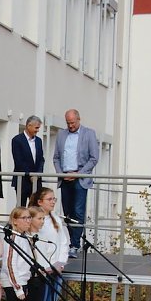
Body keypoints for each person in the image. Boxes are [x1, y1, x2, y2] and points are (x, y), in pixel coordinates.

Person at [52, 109, 99, 258]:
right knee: (67, 212)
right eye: (68, 123)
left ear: (79, 119)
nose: (70, 125)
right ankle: (71, 241)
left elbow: (94, 158)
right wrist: (61, 173)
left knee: (78, 211)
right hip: (65, 178)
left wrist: (78, 174)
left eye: (72, 122)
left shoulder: (89, 134)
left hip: (80, 178)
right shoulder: (61, 134)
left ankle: (75, 244)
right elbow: (56, 158)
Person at [31, 188, 69, 301]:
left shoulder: (56, 219)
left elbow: (63, 242)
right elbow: (37, 246)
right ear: (39, 202)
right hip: (43, 270)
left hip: (56, 269)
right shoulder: (36, 220)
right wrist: (45, 266)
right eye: (49, 199)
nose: (53, 202)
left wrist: (60, 262)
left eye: (54, 199)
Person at [11, 115, 45, 207]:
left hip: (36, 181)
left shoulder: (38, 141)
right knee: (21, 207)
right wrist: (29, 175)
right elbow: (18, 161)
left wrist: (37, 174)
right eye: (36, 128)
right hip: (22, 180)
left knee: (35, 207)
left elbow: (41, 160)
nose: (37, 130)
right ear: (29, 125)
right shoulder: (17, 140)